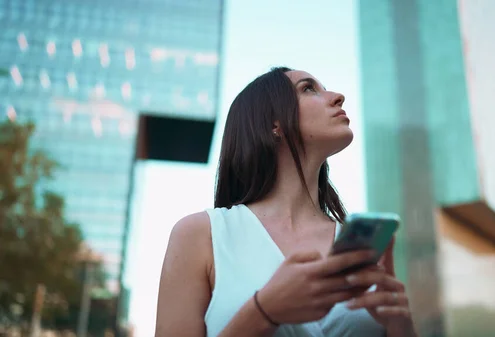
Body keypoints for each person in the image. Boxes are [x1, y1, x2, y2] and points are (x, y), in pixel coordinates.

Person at [155, 67, 417, 337]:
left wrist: (401, 326)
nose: (338, 97)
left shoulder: (356, 248)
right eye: (308, 88)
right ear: (274, 124)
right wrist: (264, 311)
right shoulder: (201, 234)